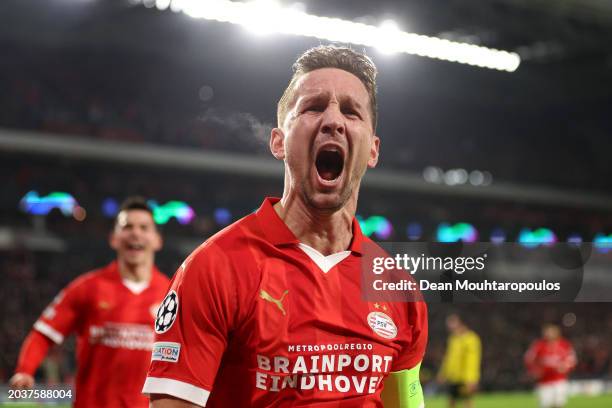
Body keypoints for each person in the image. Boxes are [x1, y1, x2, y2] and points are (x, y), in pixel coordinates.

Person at [143, 46, 428, 407]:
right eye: (313, 107)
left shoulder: (397, 287)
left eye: (351, 111)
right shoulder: (215, 268)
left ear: (372, 151)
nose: (333, 121)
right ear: (278, 142)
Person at [10, 196, 170, 407]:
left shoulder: (172, 294)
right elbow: (43, 333)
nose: (136, 233)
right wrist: (25, 370)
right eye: (127, 226)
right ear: (113, 238)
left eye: (144, 227)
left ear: (158, 240)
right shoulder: (87, 288)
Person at [524, 324, 576, 408]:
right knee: (544, 405)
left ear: (557, 333)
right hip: (544, 382)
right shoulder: (539, 345)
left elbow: (572, 359)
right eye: (547, 332)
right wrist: (534, 371)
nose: (549, 334)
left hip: (559, 380)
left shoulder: (564, 345)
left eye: (551, 332)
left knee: (559, 404)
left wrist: (565, 367)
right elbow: (528, 359)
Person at [437, 314, 481, 408]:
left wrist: (471, 379)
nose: (449, 326)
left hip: (465, 377)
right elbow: (448, 358)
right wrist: (443, 373)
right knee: (451, 402)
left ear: (460, 323)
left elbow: (473, 361)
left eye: (452, 322)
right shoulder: (453, 339)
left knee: (467, 402)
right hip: (453, 377)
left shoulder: (471, 339)